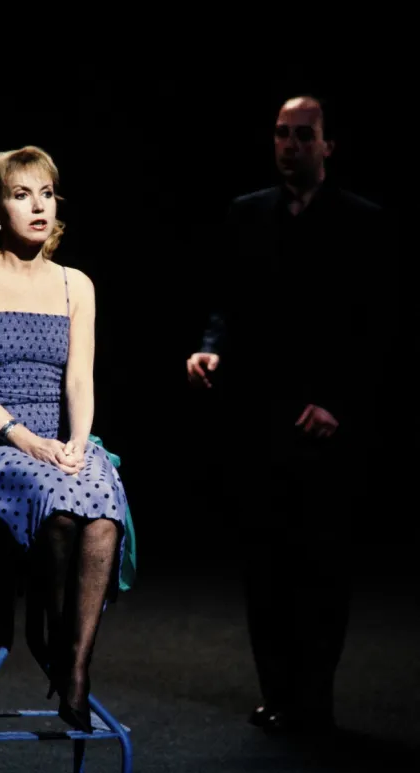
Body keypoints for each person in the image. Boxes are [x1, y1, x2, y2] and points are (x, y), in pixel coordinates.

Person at [187, 96, 388, 735]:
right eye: (282, 133)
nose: (290, 144)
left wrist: (341, 404)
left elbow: (378, 332)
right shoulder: (246, 215)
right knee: (265, 565)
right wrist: (209, 348)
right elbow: (225, 301)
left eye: (305, 135)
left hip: (324, 426)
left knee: (323, 569)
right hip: (258, 419)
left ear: (329, 145)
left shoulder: (364, 223)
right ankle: (278, 694)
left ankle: (316, 700)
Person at [0, 145, 135, 733]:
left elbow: (80, 377)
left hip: (61, 440)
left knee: (102, 510)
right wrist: (26, 439)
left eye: (46, 194)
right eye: (22, 194)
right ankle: (48, 632)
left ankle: (74, 669)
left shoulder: (77, 285)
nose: (38, 206)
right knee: (56, 508)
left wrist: (79, 440)